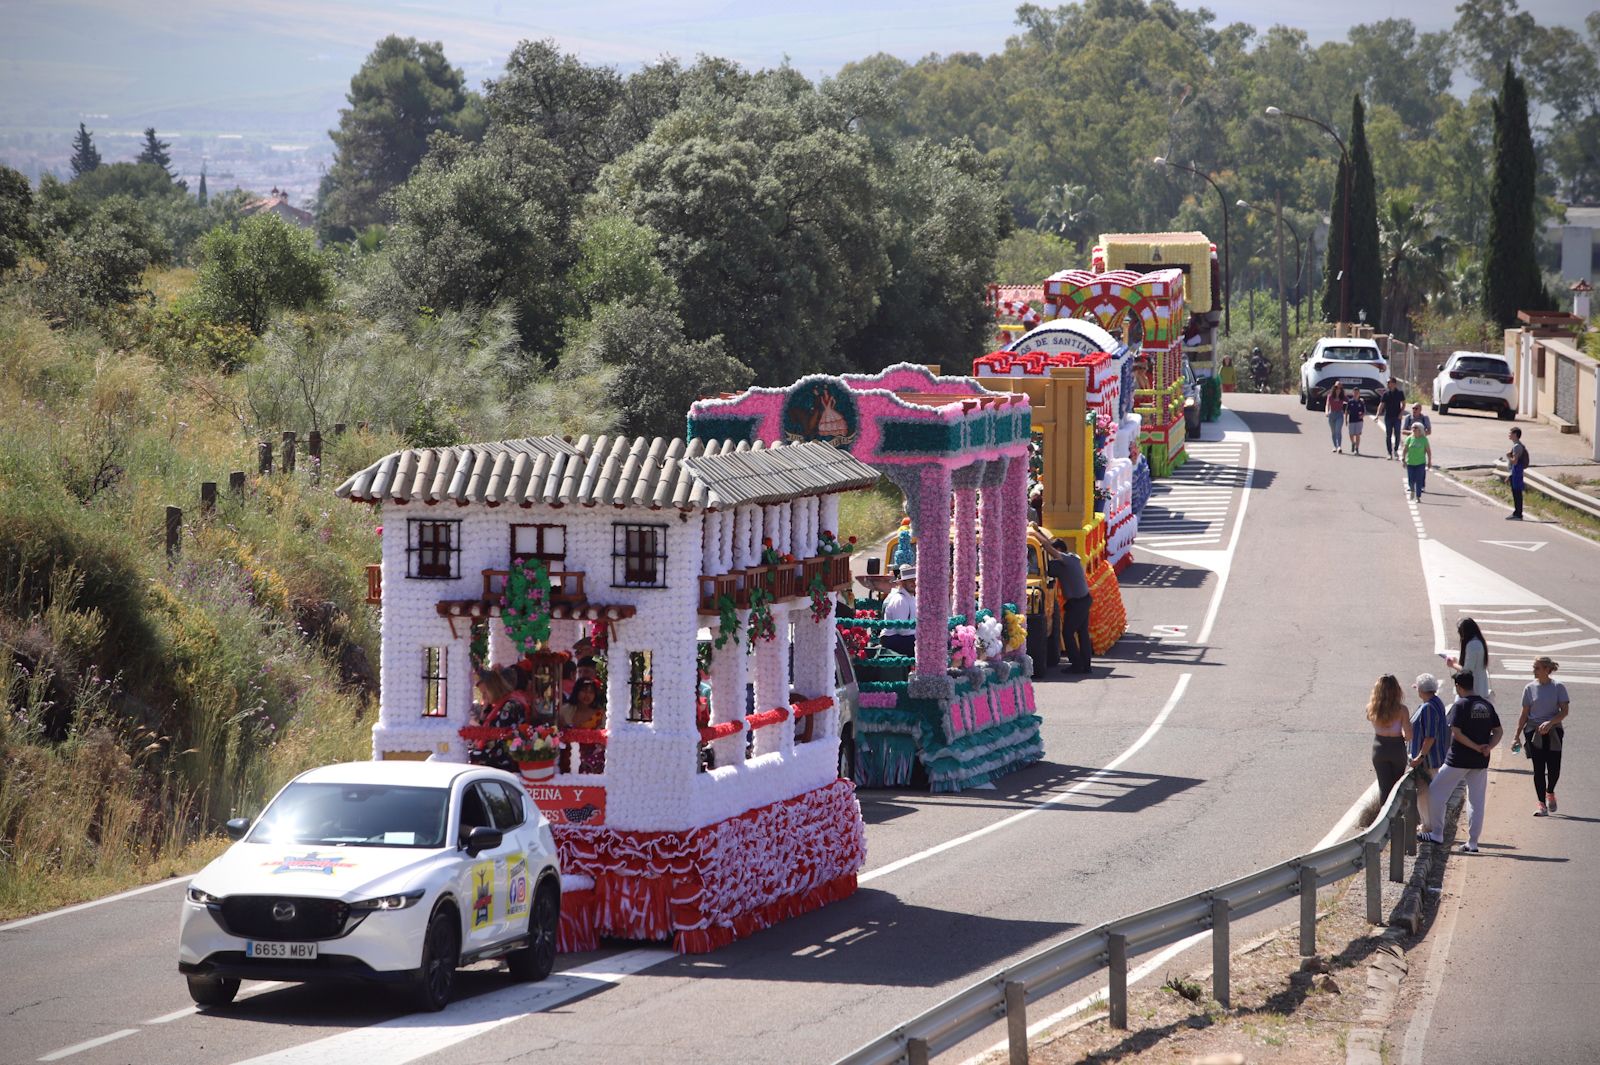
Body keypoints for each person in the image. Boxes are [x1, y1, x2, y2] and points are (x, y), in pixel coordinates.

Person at [1424, 671, 1502, 852]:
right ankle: (1473, 842)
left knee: (1436, 791)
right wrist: (1487, 747)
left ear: (1459, 686)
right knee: (1476, 801)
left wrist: (1475, 747)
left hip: (1458, 759)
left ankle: (1437, 833)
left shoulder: (1460, 705)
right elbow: (1498, 731)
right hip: (1481, 761)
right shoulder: (1486, 705)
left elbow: (1456, 733)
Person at [1514, 656, 1570, 815]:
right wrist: (1516, 735)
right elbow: (1524, 714)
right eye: (1534, 667)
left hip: (1553, 731)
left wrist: (1550, 723)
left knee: (1554, 768)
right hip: (1533, 732)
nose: (1534, 671)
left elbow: (1564, 711)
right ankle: (1541, 804)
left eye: (1537, 668)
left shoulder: (1558, 687)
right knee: (1538, 769)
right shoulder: (1529, 688)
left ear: (1547, 669)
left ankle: (1550, 792)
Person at [1034, 524, 1092, 674]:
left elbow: (1047, 546)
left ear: (1059, 550)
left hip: (1078, 602)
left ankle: (1077, 665)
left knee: (1068, 633)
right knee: (1082, 633)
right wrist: (1038, 530)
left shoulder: (1067, 560)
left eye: (1055, 553)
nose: (1053, 557)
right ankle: (1086, 665)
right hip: (1083, 600)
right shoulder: (1072, 559)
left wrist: (1033, 533)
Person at [1408, 674, 1450, 840]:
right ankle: (1429, 824)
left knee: (1424, 794)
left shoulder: (1428, 708)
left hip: (1428, 760)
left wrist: (1420, 757)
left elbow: (1430, 736)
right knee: (1429, 793)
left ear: (1421, 689)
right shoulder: (1435, 702)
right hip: (1432, 757)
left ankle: (1428, 826)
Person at [1368, 674, 1413, 804]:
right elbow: (1409, 735)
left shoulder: (1371, 708)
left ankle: (1383, 817)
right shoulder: (1402, 710)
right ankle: (1396, 818)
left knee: (1384, 787)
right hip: (1396, 748)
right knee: (1396, 787)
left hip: (1379, 748)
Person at [559, 678, 607, 774]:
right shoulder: (565, 711)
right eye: (584, 691)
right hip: (567, 758)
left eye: (591, 692)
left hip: (593, 762)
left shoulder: (600, 714)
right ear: (577, 691)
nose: (587, 695)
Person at [1444, 617, 1491, 705]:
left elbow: (1467, 670)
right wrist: (1456, 661)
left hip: (1472, 690)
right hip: (1480, 687)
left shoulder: (1472, 645)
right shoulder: (1478, 641)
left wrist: (1453, 664)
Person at [880, 565, 917, 656]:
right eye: (910, 581)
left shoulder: (911, 597)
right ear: (902, 583)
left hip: (903, 637)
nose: (913, 583)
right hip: (892, 638)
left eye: (915, 580)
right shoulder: (900, 599)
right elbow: (902, 630)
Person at [1403, 423, 1432, 501]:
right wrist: (1403, 459)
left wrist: (1429, 462)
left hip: (1420, 463)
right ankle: (1412, 490)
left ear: (1420, 429)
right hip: (1410, 463)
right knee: (1411, 480)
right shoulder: (1409, 438)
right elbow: (1405, 450)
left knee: (1419, 480)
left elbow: (1428, 451)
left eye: (1415, 428)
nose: (1413, 429)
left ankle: (1418, 496)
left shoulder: (1424, 439)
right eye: (1413, 428)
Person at [1504, 427, 1529, 520]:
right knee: (1516, 493)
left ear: (1515, 434)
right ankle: (1517, 513)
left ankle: (1518, 514)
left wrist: (1508, 457)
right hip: (1515, 472)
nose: (1509, 434)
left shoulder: (1517, 447)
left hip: (1517, 472)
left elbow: (1514, 461)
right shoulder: (1517, 445)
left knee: (1517, 493)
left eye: (1510, 433)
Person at [1380, 379, 1406, 459]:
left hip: (1397, 417)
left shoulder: (1400, 393)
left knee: (1397, 434)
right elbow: (1382, 404)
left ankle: (1396, 450)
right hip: (1388, 417)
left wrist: (1401, 413)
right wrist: (1378, 414)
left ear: (1394, 384)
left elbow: (1404, 404)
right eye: (1387, 383)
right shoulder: (1386, 394)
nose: (1388, 384)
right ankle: (1389, 452)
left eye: (1389, 383)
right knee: (1388, 435)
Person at [1345, 387, 1367, 455]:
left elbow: (1364, 411)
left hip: (1359, 421)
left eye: (1357, 393)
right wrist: (1346, 419)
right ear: (1353, 393)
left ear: (1359, 393)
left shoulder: (1361, 402)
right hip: (1351, 420)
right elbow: (1346, 411)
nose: (1356, 394)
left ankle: (1357, 448)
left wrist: (1362, 415)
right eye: (1355, 393)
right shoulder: (1350, 401)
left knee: (1357, 434)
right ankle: (1353, 443)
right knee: (1351, 434)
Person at [1326, 383, 1347, 452]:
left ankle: (1339, 446)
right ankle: (1335, 446)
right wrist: (1326, 412)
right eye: (1336, 388)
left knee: (1338, 431)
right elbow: (1327, 405)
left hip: (1339, 415)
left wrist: (1359, 400)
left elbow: (1350, 401)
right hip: (1331, 414)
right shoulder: (1330, 396)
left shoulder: (1342, 397)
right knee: (1333, 432)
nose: (1338, 390)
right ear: (1334, 389)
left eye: (1339, 389)